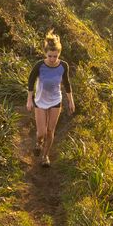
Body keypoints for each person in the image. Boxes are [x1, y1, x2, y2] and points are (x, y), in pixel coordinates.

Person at [26, 29, 75, 167]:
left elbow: (66, 83)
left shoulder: (63, 66)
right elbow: (30, 81)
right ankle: (38, 142)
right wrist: (29, 100)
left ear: (59, 54)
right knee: (41, 132)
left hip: (55, 101)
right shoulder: (39, 65)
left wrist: (71, 101)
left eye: (55, 56)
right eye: (50, 56)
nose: (53, 59)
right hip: (40, 101)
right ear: (45, 54)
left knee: (50, 131)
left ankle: (45, 156)